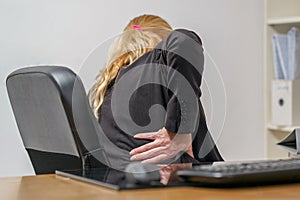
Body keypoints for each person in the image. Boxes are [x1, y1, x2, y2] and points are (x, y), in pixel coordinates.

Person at [89, 14, 223, 184]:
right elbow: (184, 41)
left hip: (120, 188)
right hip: (171, 189)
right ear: (162, 43)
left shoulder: (105, 90)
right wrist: (179, 132)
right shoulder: (156, 67)